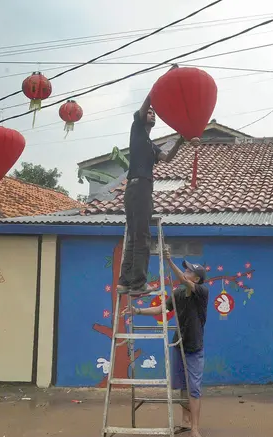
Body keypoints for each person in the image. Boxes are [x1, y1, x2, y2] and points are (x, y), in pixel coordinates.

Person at [124, 246, 211, 437]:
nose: (186, 273)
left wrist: (169, 261)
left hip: (194, 346)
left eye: (189, 271)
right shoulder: (179, 292)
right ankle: (185, 422)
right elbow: (162, 309)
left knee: (194, 389)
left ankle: (195, 430)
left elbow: (183, 281)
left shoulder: (201, 292)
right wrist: (137, 310)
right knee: (182, 386)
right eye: (186, 269)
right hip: (178, 343)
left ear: (196, 279)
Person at [116, 64, 187, 297]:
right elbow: (147, 103)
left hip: (137, 189)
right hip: (139, 186)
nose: (151, 113)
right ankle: (138, 283)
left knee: (135, 235)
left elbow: (167, 158)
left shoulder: (151, 145)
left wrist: (180, 140)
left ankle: (126, 281)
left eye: (154, 114)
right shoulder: (136, 129)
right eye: (150, 112)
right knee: (142, 236)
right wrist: (162, 82)